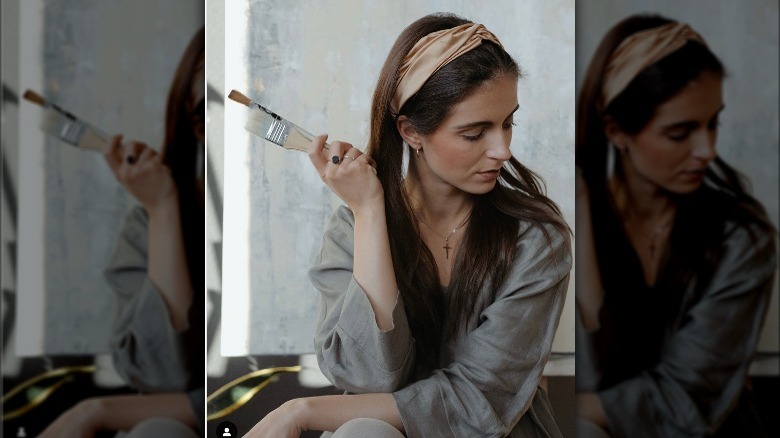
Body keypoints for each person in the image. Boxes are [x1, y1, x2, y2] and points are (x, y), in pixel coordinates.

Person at [245, 13, 571, 437]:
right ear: (411, 131)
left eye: (508, 123)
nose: (503, 150)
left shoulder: (535, 239)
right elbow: (368, 377)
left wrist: (300, 411)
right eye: (475, 133)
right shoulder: (350, 229)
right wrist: (369, 212)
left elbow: (479, 401)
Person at [574, 14, 777, 437]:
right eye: (680, 133)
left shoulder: (741, 238)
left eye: (713, 123)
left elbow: (685, 399)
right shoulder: (575, 221)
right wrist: (580, 214)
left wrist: (582, 408)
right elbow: (588, 376)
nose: (707, 150)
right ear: (616, 131)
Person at [39, 27, 205, 438]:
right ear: (191, 120)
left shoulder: (328, 217)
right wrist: (163, 210)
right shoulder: (146, 226)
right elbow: (160, 375)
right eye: (206, 112)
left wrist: (98, 411)